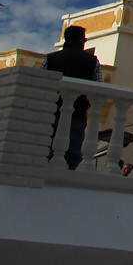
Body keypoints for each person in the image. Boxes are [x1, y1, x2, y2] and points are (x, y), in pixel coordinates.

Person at [42, 25, 103, 169]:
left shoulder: (50, 58)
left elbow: (41, 82)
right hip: (77, 112)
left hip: (51, 111)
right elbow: (98, 87)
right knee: (73, 153)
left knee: (47, 150)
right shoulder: (92, 61)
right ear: (82, 39)